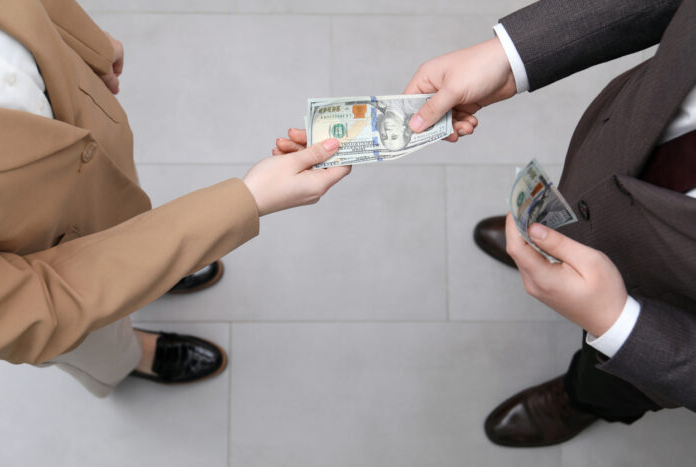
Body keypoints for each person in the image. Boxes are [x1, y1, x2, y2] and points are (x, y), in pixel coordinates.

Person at [280, 0, 695, 447]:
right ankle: (546, 238)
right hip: (628, 138)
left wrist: (621, 325)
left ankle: (583, 398)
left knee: (612, 379)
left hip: (674, 308)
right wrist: (510, 55)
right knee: (569, 202)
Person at [0, 0, 350, 397]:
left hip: (83, 126)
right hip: (55, 272)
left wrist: (89, 43)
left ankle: (164, 262)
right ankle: (135, 357)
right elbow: (42, 307)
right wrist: (247, 199)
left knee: (127, 205)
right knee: (100, 342)